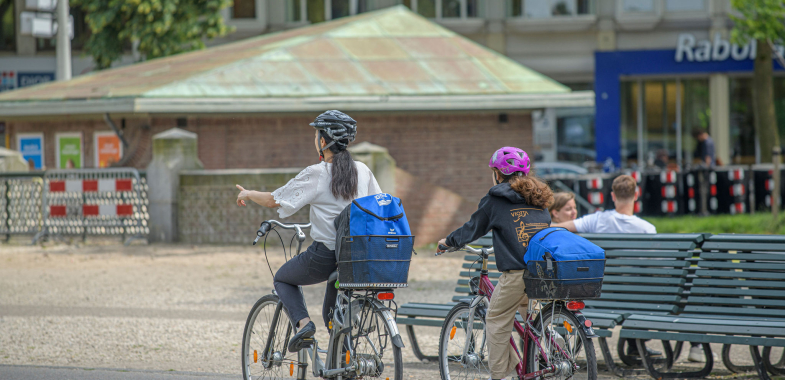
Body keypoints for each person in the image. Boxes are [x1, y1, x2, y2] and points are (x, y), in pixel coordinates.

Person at [235, 110, 382, 353]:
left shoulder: (317, 173)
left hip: (327, 257)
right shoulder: (363, 171)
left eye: (316, 135)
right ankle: (345, 365)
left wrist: (248, 194)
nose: (315, 139)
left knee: (282, 278)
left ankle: (303, 325)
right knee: (332, 315)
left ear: (323, 142)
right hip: (358, 257)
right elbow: (377, 205)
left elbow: (275, 200)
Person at [436, 147, 553, 380]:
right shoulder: (538, 198)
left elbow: (473, 228)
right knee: (530, 312)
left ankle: (500, 375)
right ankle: (549, 345)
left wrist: (448, 242)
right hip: (542, 271)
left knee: (496, 319)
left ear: (498, 174)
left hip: (516, 275)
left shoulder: (495, 199)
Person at [553, 175, 660, 358]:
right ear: (636, 195)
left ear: (612, 196)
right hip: (638, 298)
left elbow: (557, 227)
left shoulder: (596, 220)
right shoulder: (647, 229)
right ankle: (635, 346)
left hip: (600, 295)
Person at [693, 128, 716, 216]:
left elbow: (708, 157)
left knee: (705, 189)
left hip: (708, 169)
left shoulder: (707, 143)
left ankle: (705, 210)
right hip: (708, 168)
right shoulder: (709, 141)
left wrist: (705, 166)